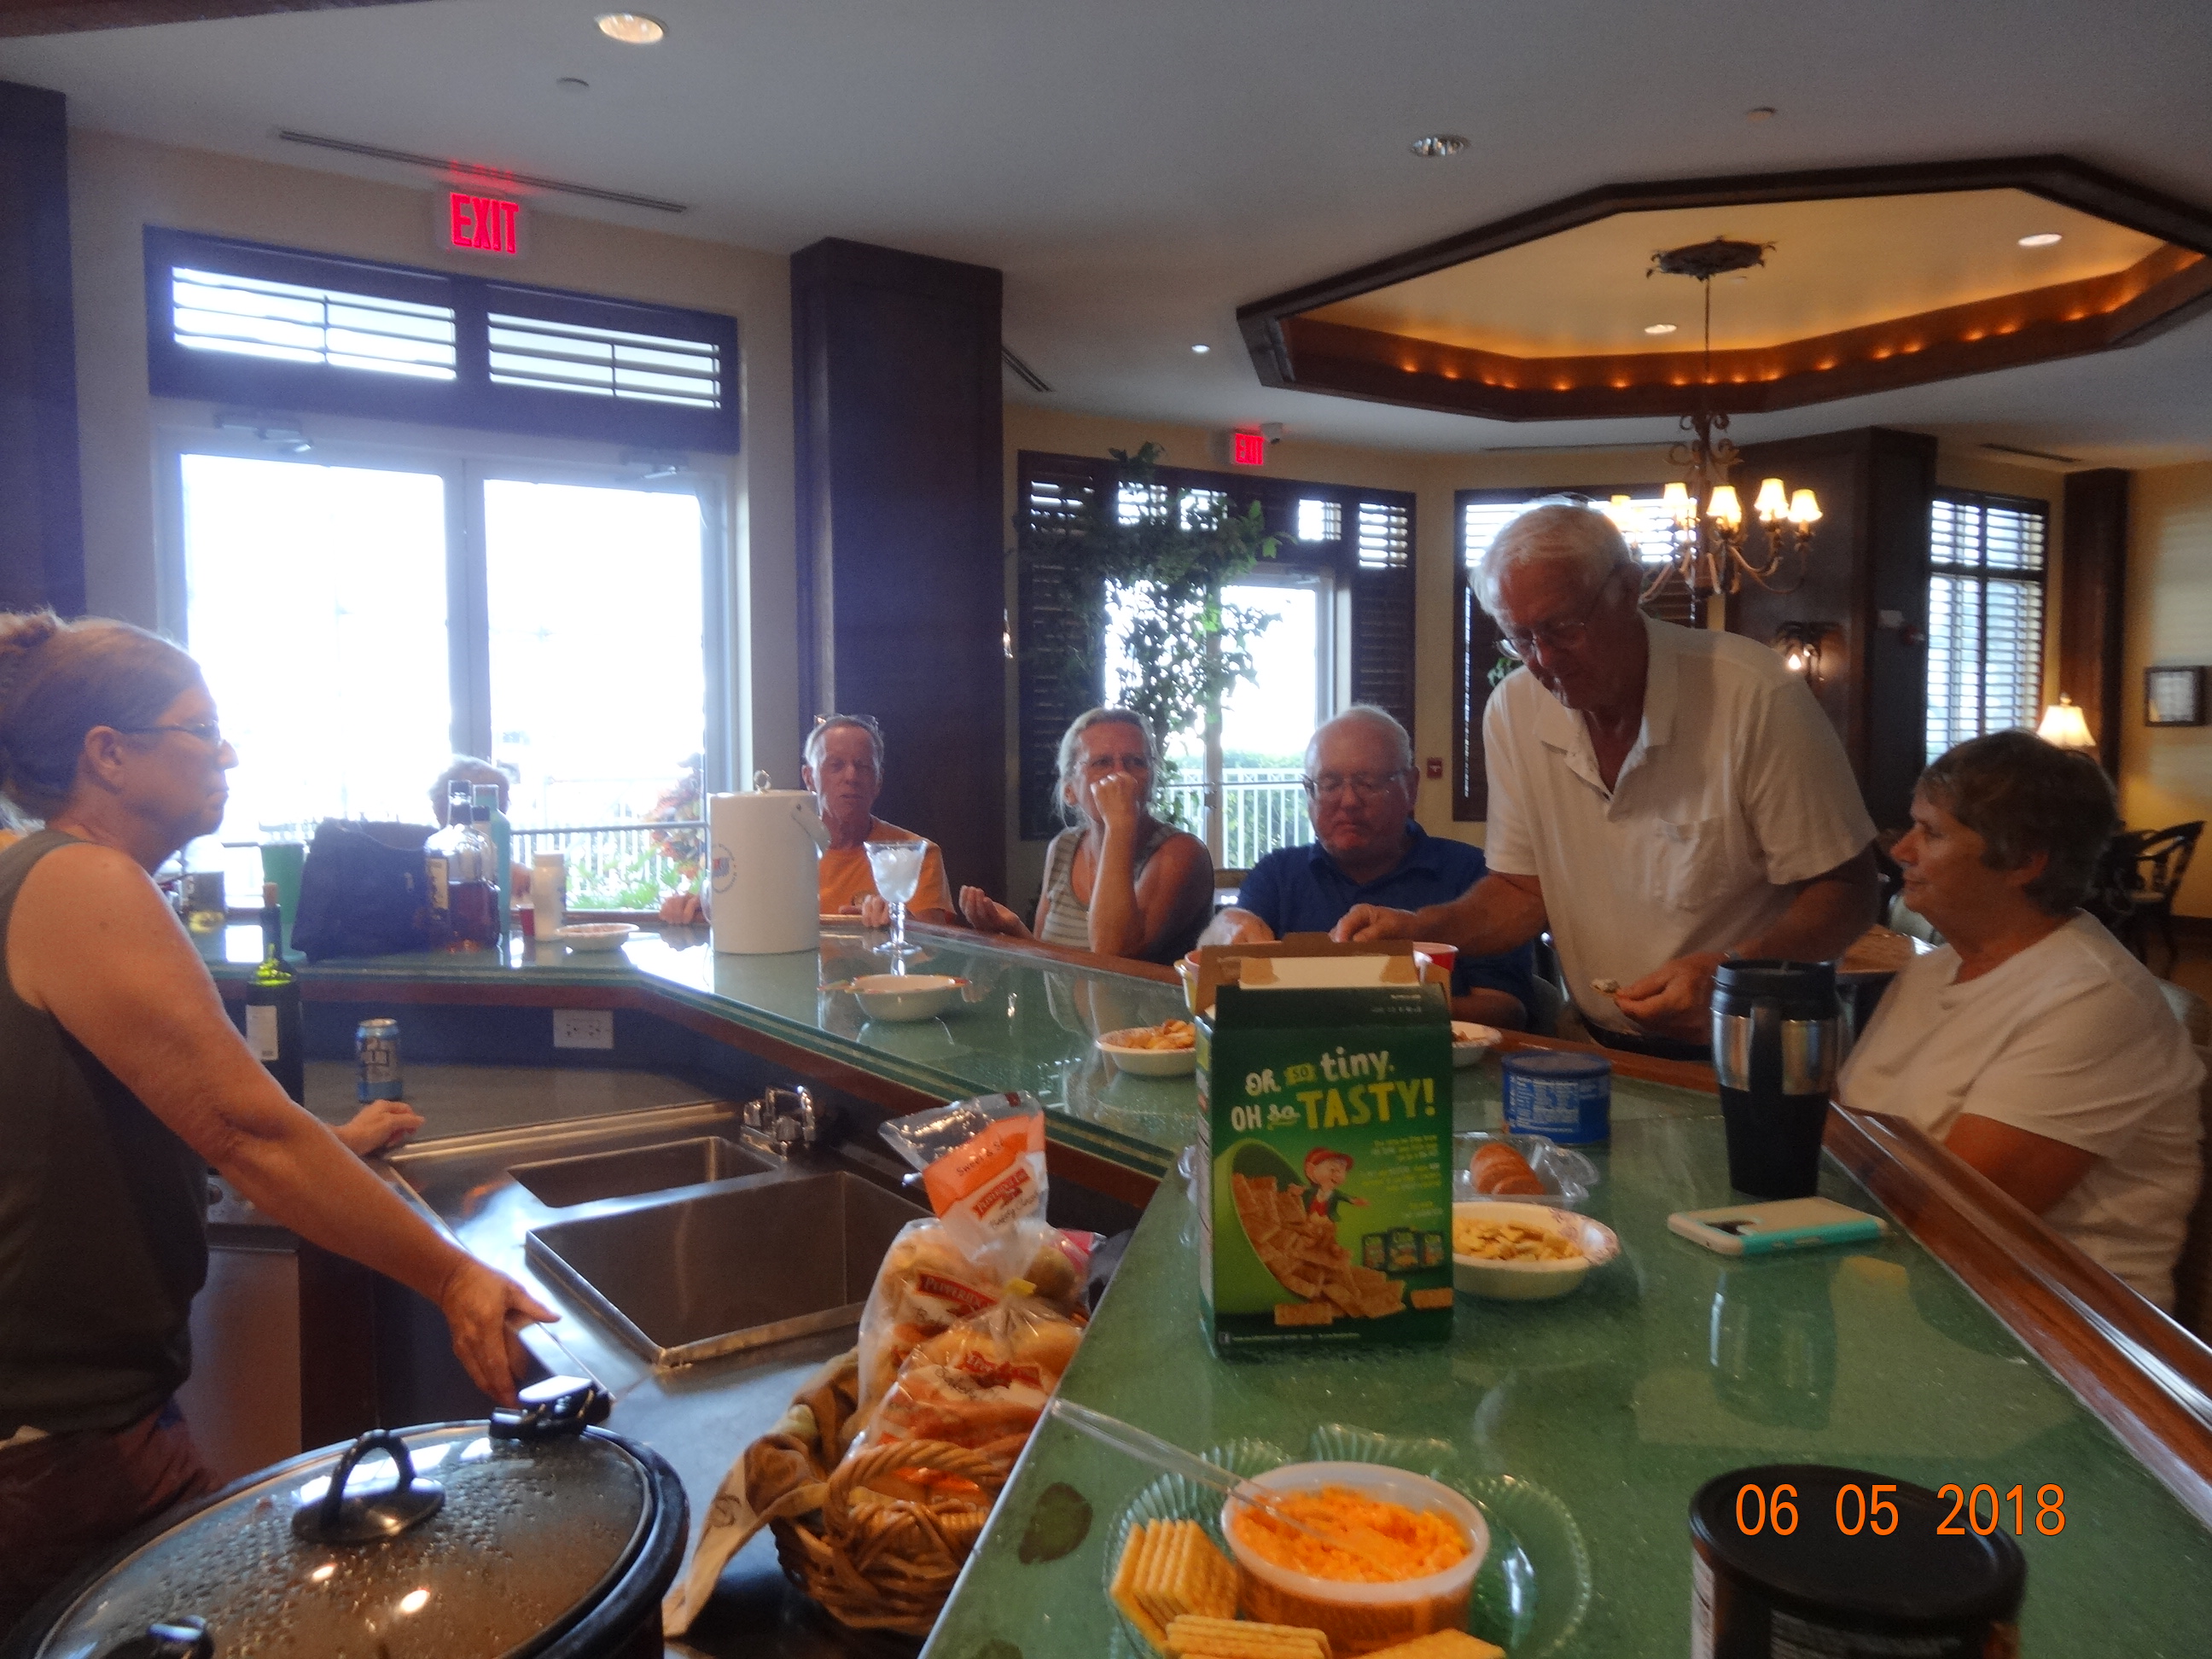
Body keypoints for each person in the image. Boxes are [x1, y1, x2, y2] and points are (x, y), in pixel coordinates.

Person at [0, 612, 553, 1627]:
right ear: (108, 755)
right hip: (54, 1450)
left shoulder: (45, 873)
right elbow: (246, 1133)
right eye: (203, 730)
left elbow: (130, 1115)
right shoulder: (81, 881)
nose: (228, 754)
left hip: (69, 1425)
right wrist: (453, 1276)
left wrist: (328, 1145)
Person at [1335, 504, 1879, 1057]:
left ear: (1628, 588)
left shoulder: (1751, 693)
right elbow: (1522, 893)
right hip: (1595, 1045)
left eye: (1562, 628)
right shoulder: (1514, 709)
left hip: (1750, 1045)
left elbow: (1849, 891)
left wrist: (1735, 974)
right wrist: (1419, 928)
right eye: (1521, 638)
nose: (1545, 660)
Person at [1837, 731, 2203, 1310]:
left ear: (2024, 861)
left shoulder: (2091, 1001)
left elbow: (1960, 1212)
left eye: (1932, 833)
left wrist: (1828, 1154)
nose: (1902, 849)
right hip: (1914, 1280)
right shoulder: (1935, 969)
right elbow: (1848, 1131)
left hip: (2052, 1323)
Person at [1203, 706, 1536, 1029]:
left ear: (1411, 788)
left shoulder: (1473, 876)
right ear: (1309, 792)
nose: (1349, 801)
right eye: (1330, 783)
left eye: (1369, 783)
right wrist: (1227, 926)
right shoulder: (1278, 874)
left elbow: (1506, 1010)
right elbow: (1211, 961)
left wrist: (1383, 1009)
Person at [961, 707, 1214, 965]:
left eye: (1136, 762)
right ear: (1070, 790)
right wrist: (1012, 929)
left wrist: (1119, 826)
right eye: (1102, 762)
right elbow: (1049, 968)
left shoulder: (1181, 853)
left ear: (1151, 782)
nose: (1120, 774)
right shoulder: (1063, 847)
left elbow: (1112, 953)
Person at [660, 715, 954, 928]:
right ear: (809, 778)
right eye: (835, 765)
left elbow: (936, 952)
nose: (851, 776)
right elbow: (731, 912)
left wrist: (899, 923)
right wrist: (692, 907)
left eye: (863, 766)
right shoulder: (772, 853)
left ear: (878, 781)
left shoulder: (916, 852)